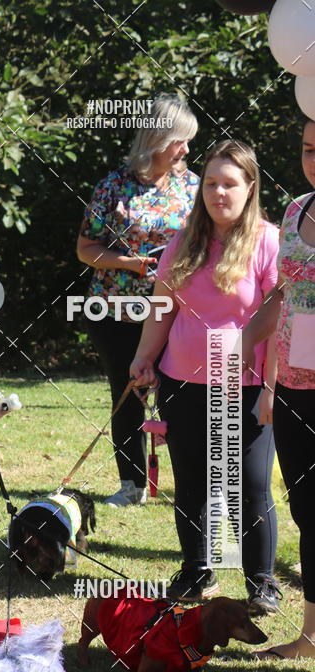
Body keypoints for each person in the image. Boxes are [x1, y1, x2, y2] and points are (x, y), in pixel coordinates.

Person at [130, 140, 281, 613]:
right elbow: (162, 308)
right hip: (184, 381)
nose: (218, 192)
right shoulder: (183, 241)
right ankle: (196, 572)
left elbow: (281, 317)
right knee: (192, 482)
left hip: (249, 383)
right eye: (211, 183)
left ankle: (262, 584)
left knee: (249, 485)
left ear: (250, 188)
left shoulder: (269, 241)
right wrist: (144, 358)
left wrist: (272, 389)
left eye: (229, 184)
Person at [77, 94, 199, 506]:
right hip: (116, 310)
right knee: (128, 393)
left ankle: (188, 482)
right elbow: (85, 247)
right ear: (156, 137)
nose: (185, 150)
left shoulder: (194, 186)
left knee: (178, 395)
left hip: (175, 311)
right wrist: (129, 263)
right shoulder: (113, 185)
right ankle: (131, 485)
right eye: (179, 140)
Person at [243, 118, 315, 658]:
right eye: (309, 149)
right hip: (294, 385)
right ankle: (311, 635)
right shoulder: (296, 211)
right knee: (308, 509)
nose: (314, 160)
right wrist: (246, 341)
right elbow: (284, 294)